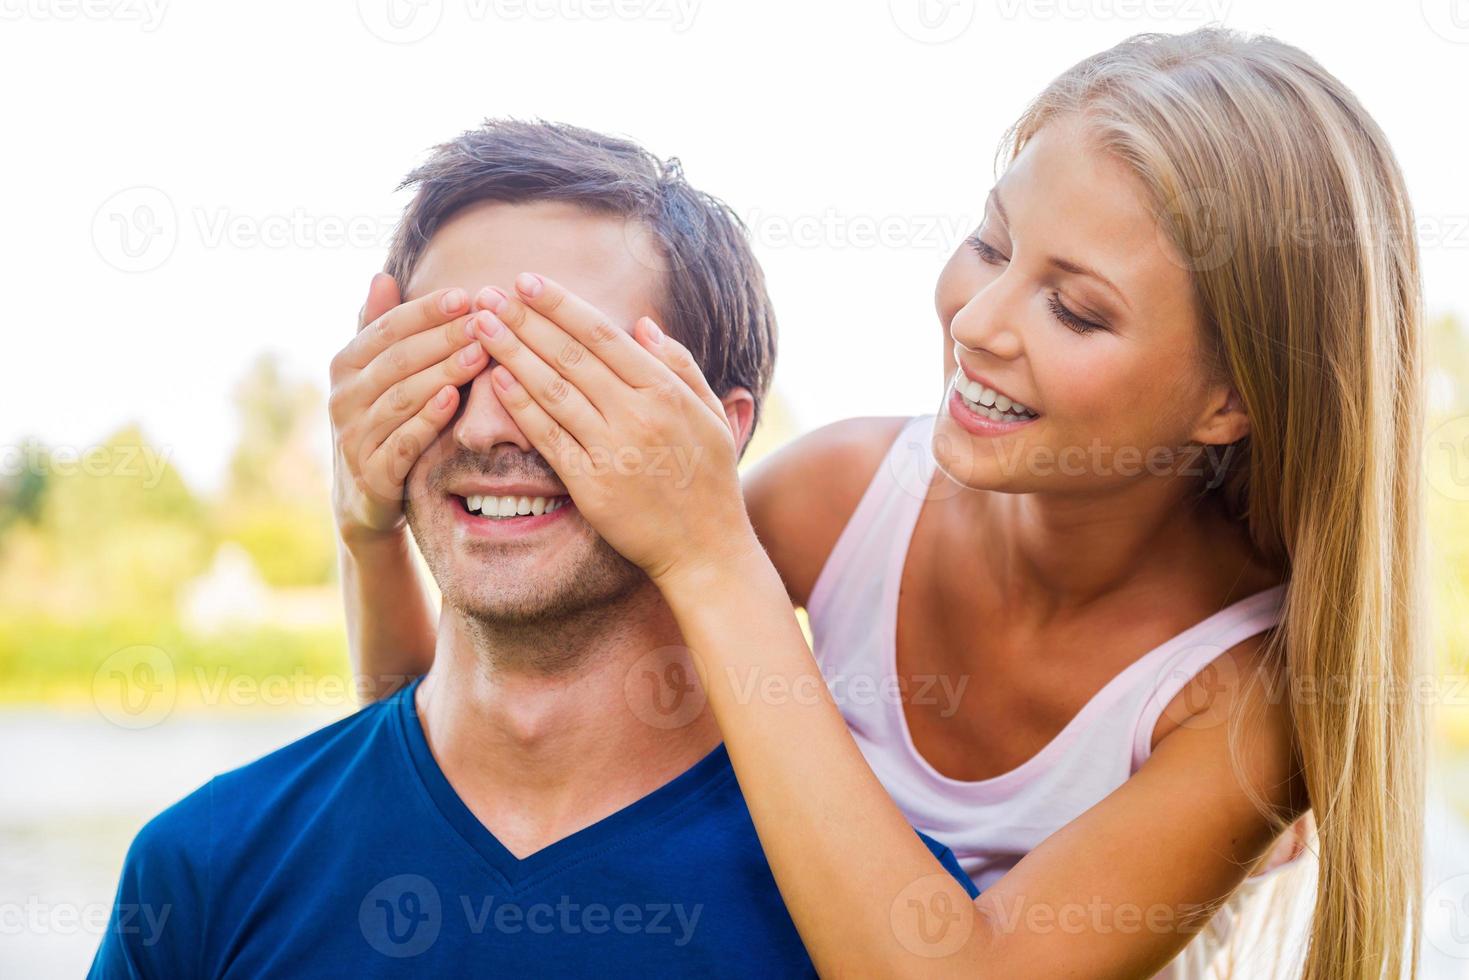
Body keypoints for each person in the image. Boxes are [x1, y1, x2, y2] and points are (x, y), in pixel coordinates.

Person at [339, 29, 1426, 979]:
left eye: (1076, 309)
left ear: (1228, 398)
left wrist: (712, 555)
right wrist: (365, 526)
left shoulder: (1239, 696)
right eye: (991, 246)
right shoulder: (841, 500)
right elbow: (469, 739)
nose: (978, 320)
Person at [87, 119, 978, 980]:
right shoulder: (200, 870)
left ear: (718, 430)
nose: (481, 424)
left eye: (561, 370)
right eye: (444, 364)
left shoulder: (883, 930)